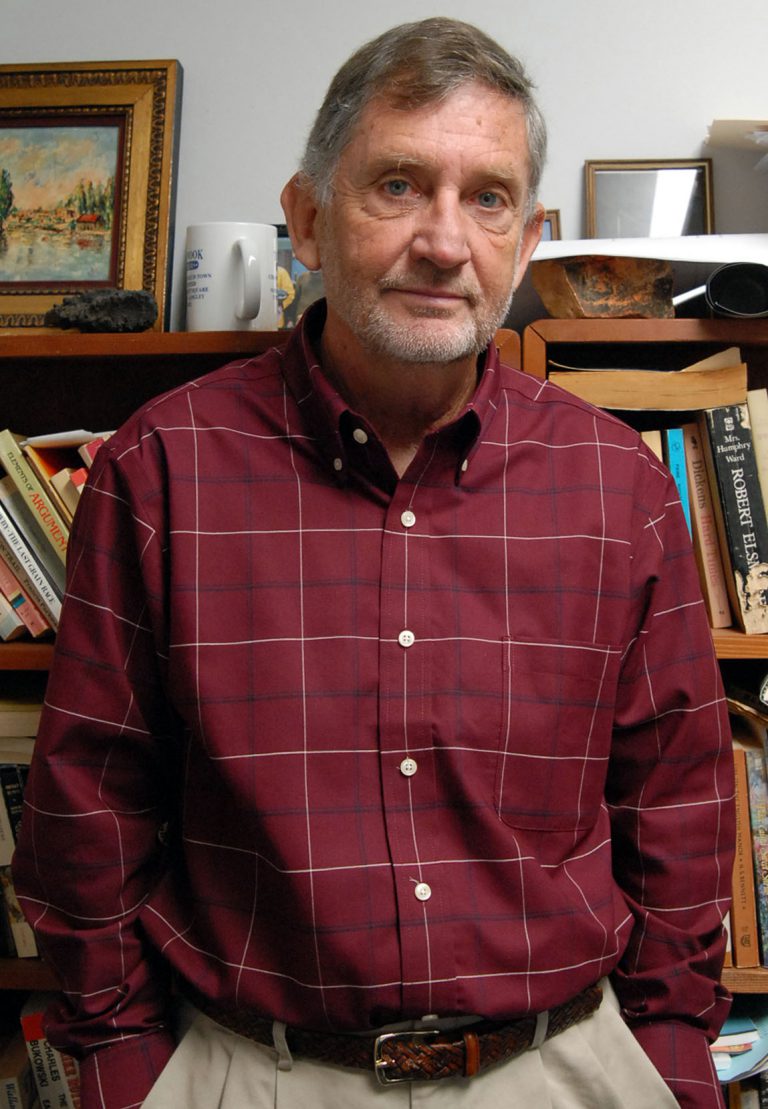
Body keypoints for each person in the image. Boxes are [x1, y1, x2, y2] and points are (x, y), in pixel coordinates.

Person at [13, 17, 734, 1109]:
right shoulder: (160, 468)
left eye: (487, 197)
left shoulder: (618, 485)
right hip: (256, 1072)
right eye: (398, 186)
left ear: (527, 236)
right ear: (305, 217)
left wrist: (670, 1060)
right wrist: (124, 1067)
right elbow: (87, 808)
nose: (446, 241)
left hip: (560, 1071)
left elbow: (676, 803)